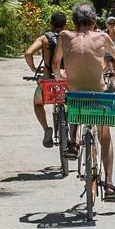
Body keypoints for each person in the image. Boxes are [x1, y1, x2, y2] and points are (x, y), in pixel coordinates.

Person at [59, 2, 115, 201]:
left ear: (73, 22)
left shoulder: (64, 36)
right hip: (100, 97)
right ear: (95, 21)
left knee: (73, 101)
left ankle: (72, 141)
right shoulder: (103, 37)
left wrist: (60, 76)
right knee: (105, 136)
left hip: (76, 96)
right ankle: (110, 184)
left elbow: (56, 64)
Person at [24, 11, 69, 147]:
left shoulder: (44, 39)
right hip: (67, 81)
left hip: (48, 81)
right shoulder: (70, 37)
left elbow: (28, 53)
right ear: (66, 25)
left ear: (51, 24)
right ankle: (73, 136)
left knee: (38, 104)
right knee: (73, 105)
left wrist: (34, 69)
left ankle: (46, 128)